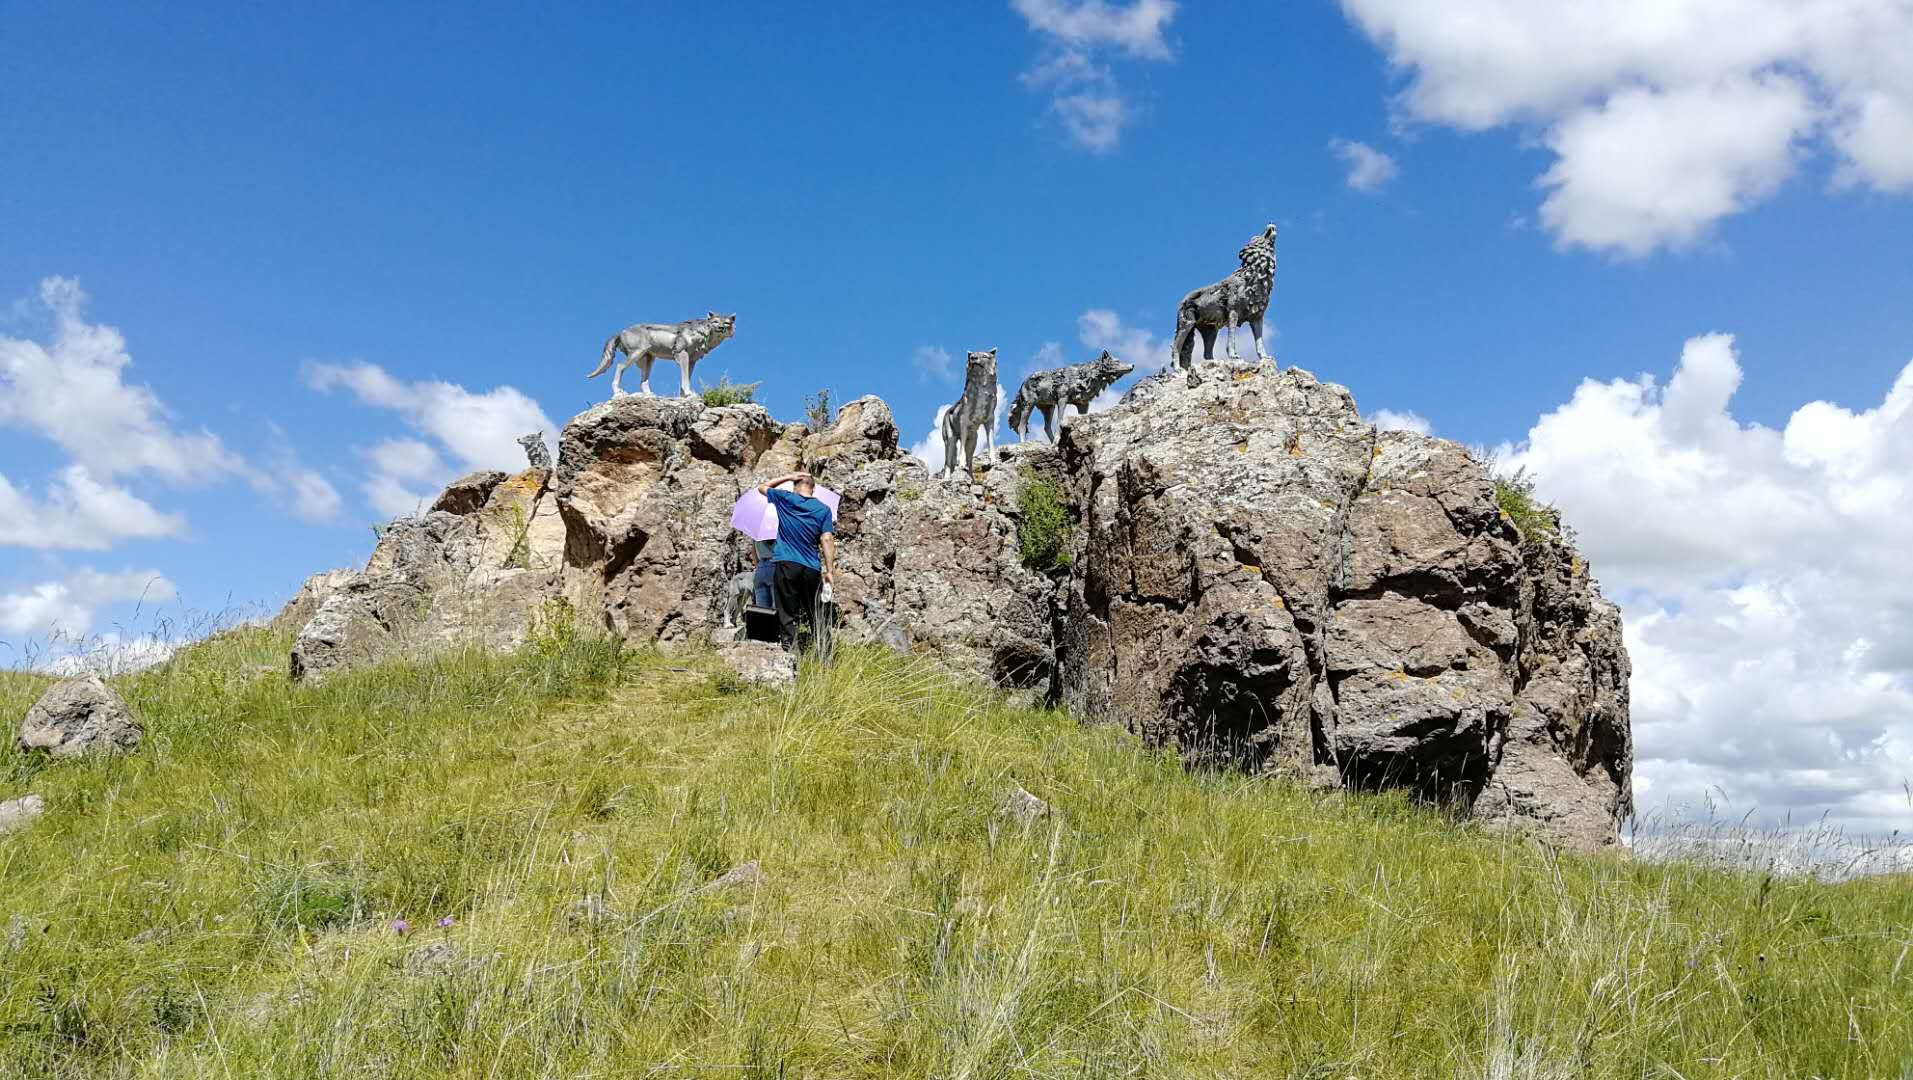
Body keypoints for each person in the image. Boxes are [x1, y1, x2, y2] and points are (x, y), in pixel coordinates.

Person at [757, 471, 836, 650]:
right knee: (816, 613)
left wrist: (788, 476)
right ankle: (826, 656)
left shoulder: (785, 498)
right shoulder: (823, 509)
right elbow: (827, 539)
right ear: (813, 489)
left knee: (786, 612)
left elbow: (762, 488)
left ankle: (789, 652)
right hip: (811, 567)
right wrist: (830, 571)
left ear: (795, 486)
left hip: (786, 562)